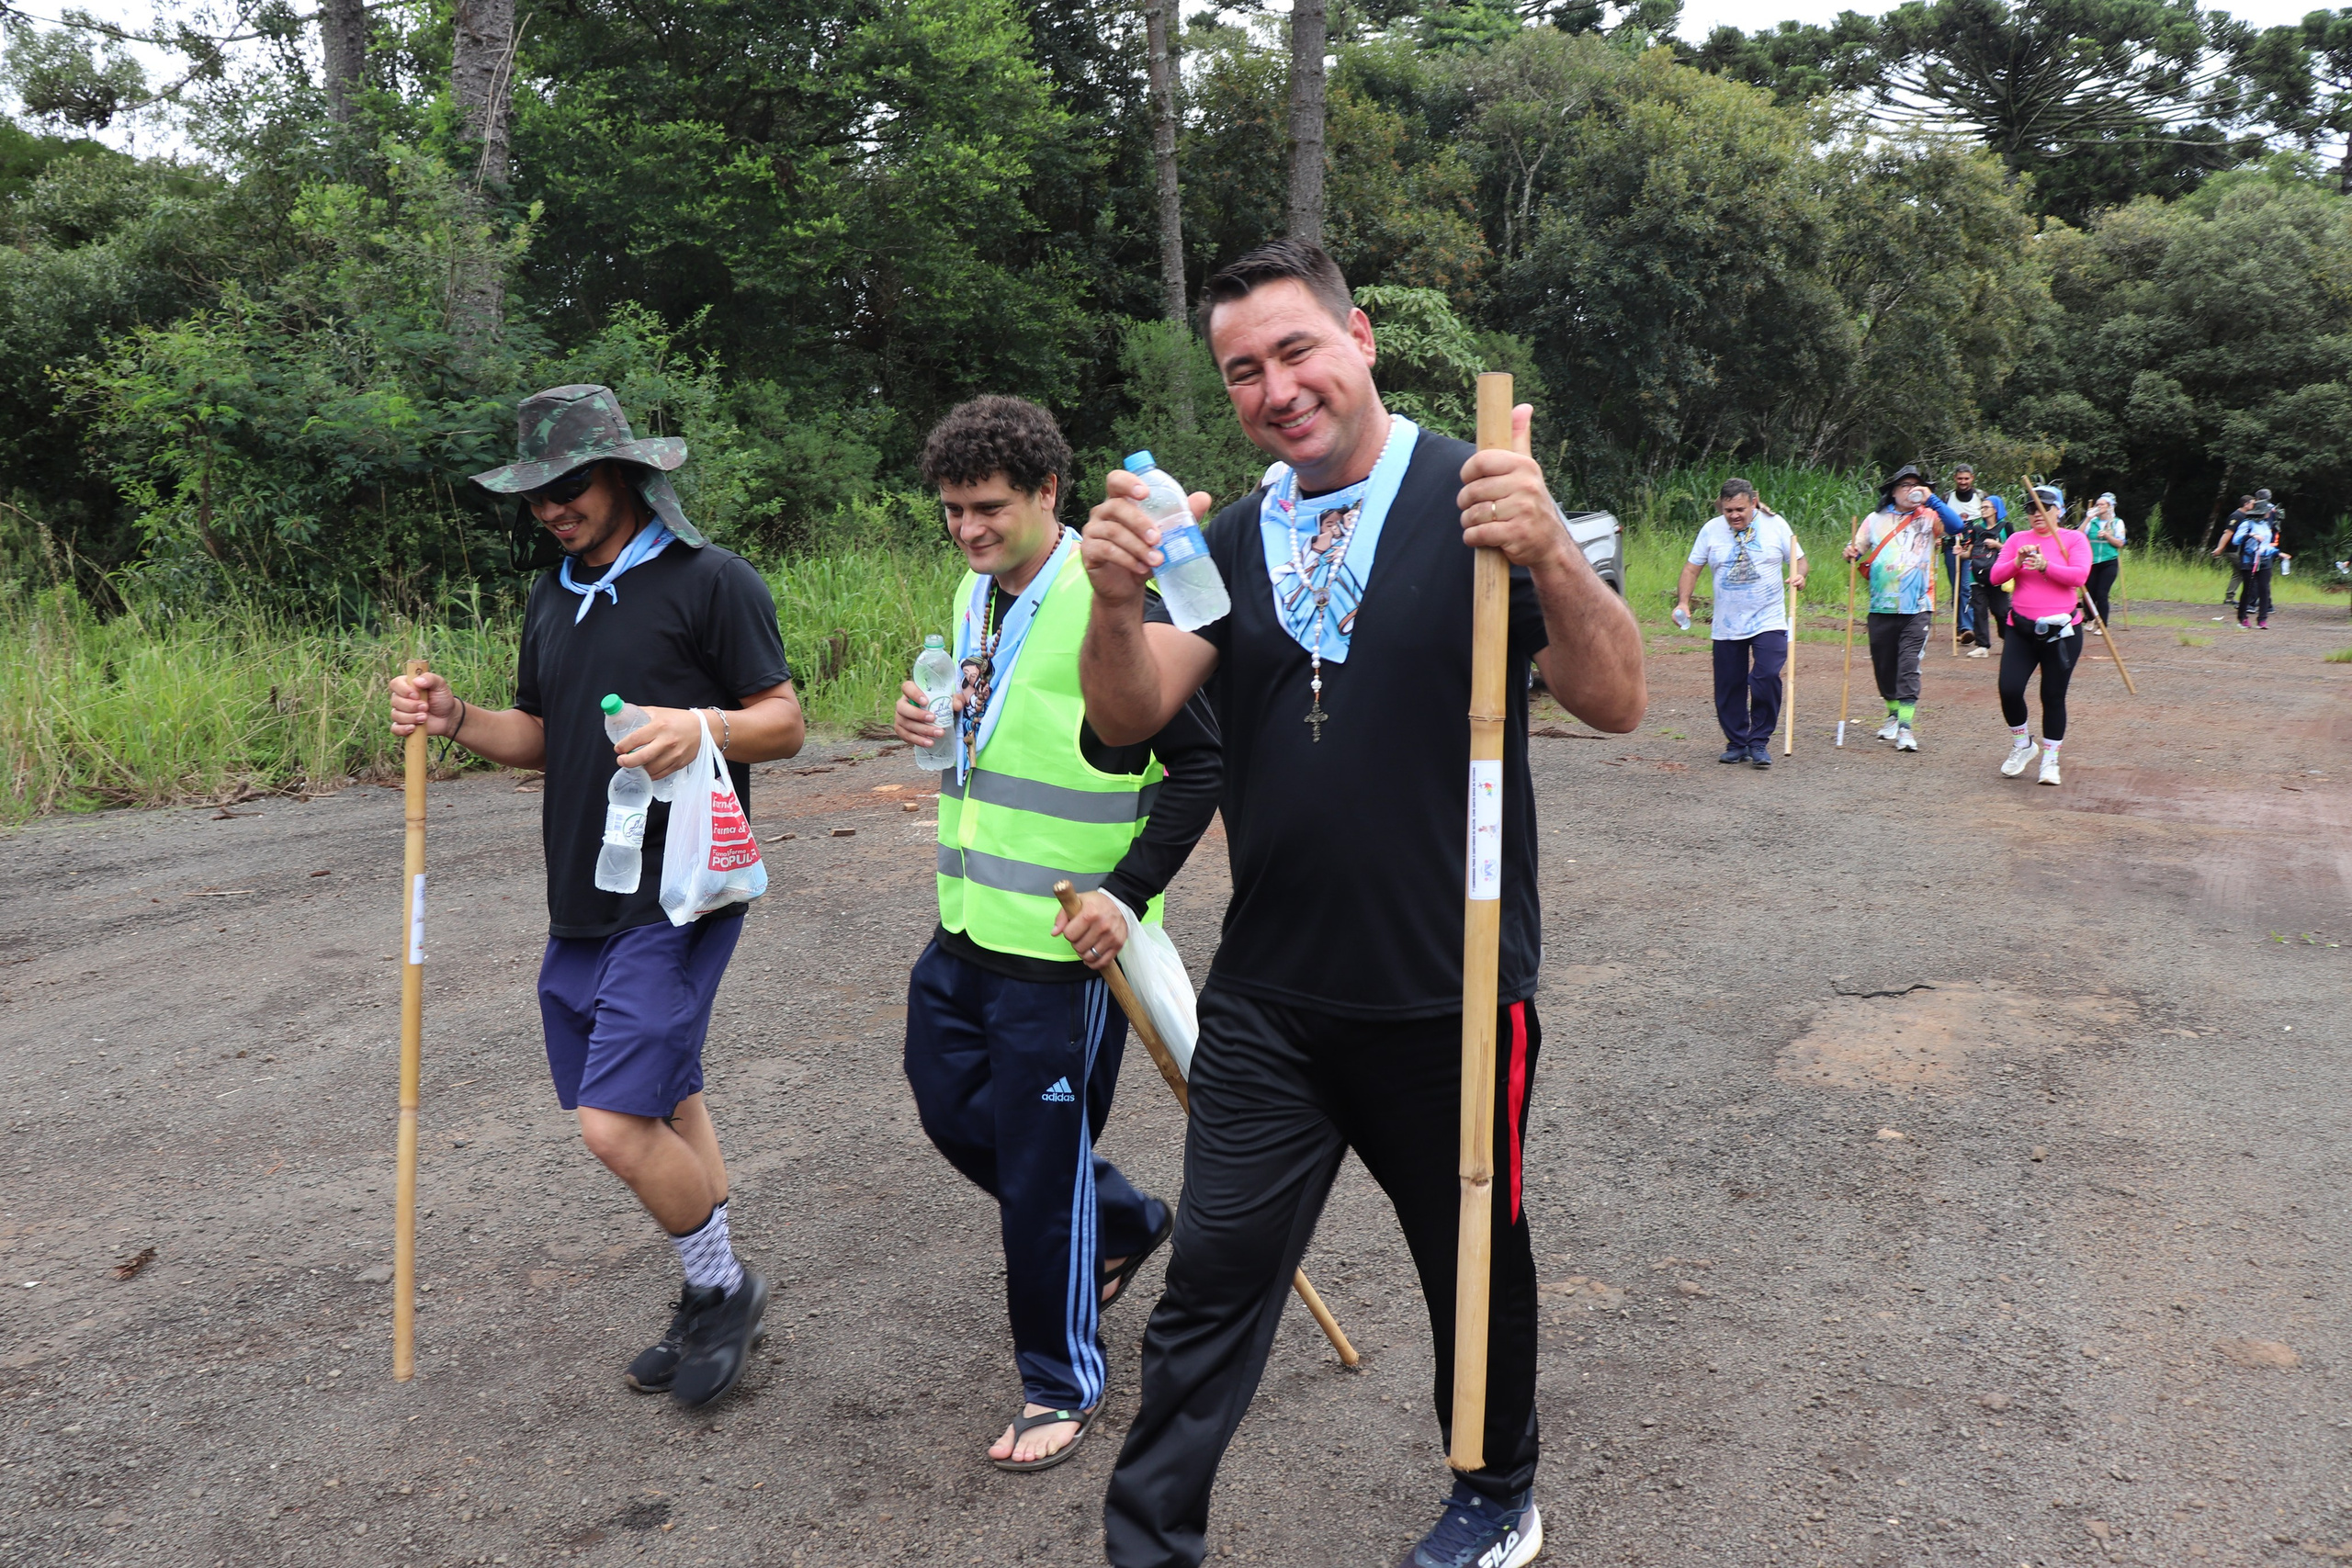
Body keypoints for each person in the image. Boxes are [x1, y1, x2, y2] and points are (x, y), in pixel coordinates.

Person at [1078, 239, 1646, 1568]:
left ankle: (1497, 1491)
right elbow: (1130, 711)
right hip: (1272, 991)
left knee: (1473, 1259)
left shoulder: (1479, 491)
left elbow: (1617, 699)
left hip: (1449, 991)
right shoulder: (1228, 536)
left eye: (1296, 350)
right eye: (1242, 372)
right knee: (1211, 1278)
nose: (1276, 388)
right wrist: (1111, 602)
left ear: (1362, 335)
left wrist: (1553, 550)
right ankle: (1149, 1543)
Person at [388, 384, 805, 1407]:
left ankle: (725, 1287)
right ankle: (710, 1295)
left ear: (625, 473)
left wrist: (699, 725)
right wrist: (457, 717)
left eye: (568, 486)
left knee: (614, 1126)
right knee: (664, 1098)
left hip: (678, 895)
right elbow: (538, 734)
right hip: (578, 896)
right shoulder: (552, 595)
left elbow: (784, 723)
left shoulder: (713, 582)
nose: (551, 509)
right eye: (535, 496)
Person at [890, 396, 1220, 1472]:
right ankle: (1118, 1219)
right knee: (950, 1110)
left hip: (1067, 953)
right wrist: (933, 728)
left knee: (1039, 1170)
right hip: (967, 925)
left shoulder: (1109, 594)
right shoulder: (978, 590)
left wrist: (1124, 893)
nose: (967, 530)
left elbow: (1200, 767)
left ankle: (1061, 1380)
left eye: (987, 509)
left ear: (1047, 494)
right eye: (950, 511)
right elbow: (994, 739)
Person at [1676, 478, 1805, 768]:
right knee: (1729, 685)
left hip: (1769, 618)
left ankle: (1758, 742)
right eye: (1728, 510)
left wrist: (1800, 575)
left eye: (1740, 509)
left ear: (1753, 503)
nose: (1734, 515)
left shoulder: (1776, 525)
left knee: (1766, 676)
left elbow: (1800, 560)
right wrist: (1684, 601)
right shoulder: (1711, 530)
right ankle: (1737, 743)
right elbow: (1691, 568)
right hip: (1727, 623)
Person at [1842, 463, 1959, 751]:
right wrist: (1850, 552)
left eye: (1916, 485)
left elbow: (1957, 527)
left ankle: (1906, 727)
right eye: (1904, 485)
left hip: (1918, 606)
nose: (1911, 490)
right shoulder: (1875, 518)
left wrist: (1931, 498)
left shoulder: (1931, 516)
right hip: (1881, 605)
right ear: (1893, 491)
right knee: (1884, 666)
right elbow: (1856, 548)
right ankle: (1893, 714)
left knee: (1909, 665)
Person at [1989, 484, 2090, 785]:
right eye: (2032, 508)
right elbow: (1996, 576)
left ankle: (2050, 759)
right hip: (2020, 628)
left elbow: (2080, 576)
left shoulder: (2074, 539)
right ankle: (2023, 745)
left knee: (2053, 695)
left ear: (2059, 510)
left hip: (2063, 632)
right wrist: (2018, 562)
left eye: (2045, 507)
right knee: (2009, 688)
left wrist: (2047, 565)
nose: (2037, 513)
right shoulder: (2018, 540)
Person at [1944, 464, 2006, 650]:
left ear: (1972, 478)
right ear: (1955, 478)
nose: (1963, 482)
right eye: (1960, 478)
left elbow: (1991, 518)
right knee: (1956, 587)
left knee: (1966, 587)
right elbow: (1939, 519)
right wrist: (1939, 537)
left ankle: (1967, 627)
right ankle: (1961, 625)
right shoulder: (1947, 497)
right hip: (1952, 545)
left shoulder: (1980, 496)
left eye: (1966, 478)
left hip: (1975, 545)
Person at [2214, 496, 2281, 630]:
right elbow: (2236, 540)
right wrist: (2251, 536)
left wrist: (2278, 553)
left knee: (2264, 589)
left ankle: (2262, 620)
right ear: (2262, 512)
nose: (2270, 513)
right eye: (2267, 511)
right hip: (2249, 560)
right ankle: (2243, 617)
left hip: (2264, 560)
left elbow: (2267, 544)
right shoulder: (2247, 523)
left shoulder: (2265, 525)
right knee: (2248, 589)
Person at [2084, 492, 2126, 627]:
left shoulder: (2117, 523)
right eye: (2097, 504)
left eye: (2102, 504)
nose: (2098, 506)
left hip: (2109, 561)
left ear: (2109, 506)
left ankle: (2102, 624)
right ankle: (2090, 618)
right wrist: (2087, 518)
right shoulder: (2091, 522)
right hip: (2092, 562)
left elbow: (2120, 543)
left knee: (2102, 593)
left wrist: (2107, 535)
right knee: (2089, 592)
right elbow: (2077, 535)